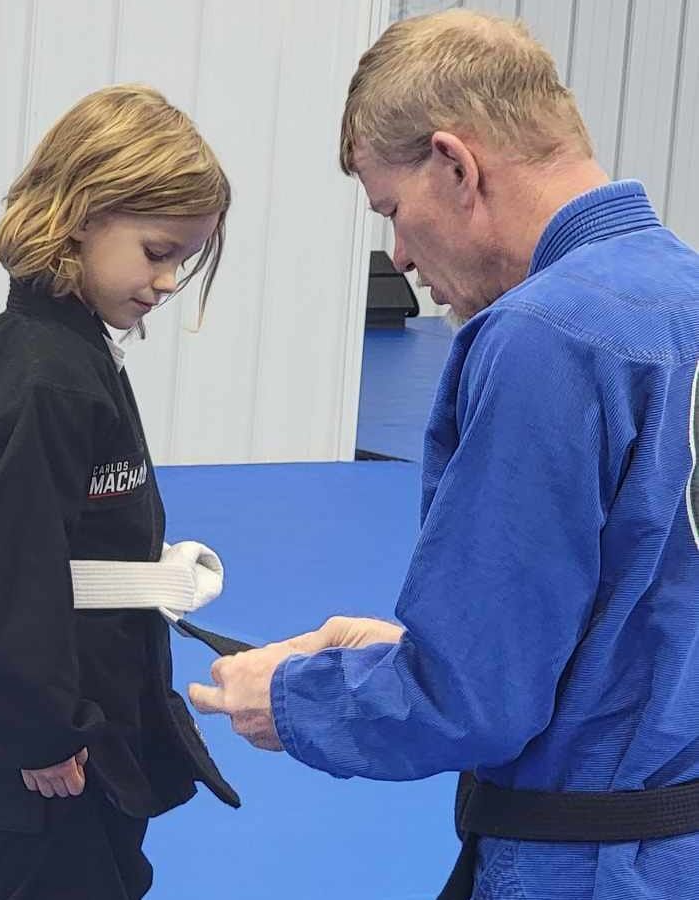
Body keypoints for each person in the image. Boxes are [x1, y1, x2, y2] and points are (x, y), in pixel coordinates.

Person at [189, 9, 699, 899]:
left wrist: (300, 697)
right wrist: (400, 646)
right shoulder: (682, 298)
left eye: (392, 209)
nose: (400, 254)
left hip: (593, 865)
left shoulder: (546, 337)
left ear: (455, 166)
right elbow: (648, 606)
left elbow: (473, 700)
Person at [0, 84, 239, 900]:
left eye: (185, 260)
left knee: (107, 874)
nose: (168, 281)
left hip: (99, 687)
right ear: (80, 214)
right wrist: (41, 732)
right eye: (156, 250)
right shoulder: (40, 372)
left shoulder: (81, 352)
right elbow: (9, 559)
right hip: (47, 725)